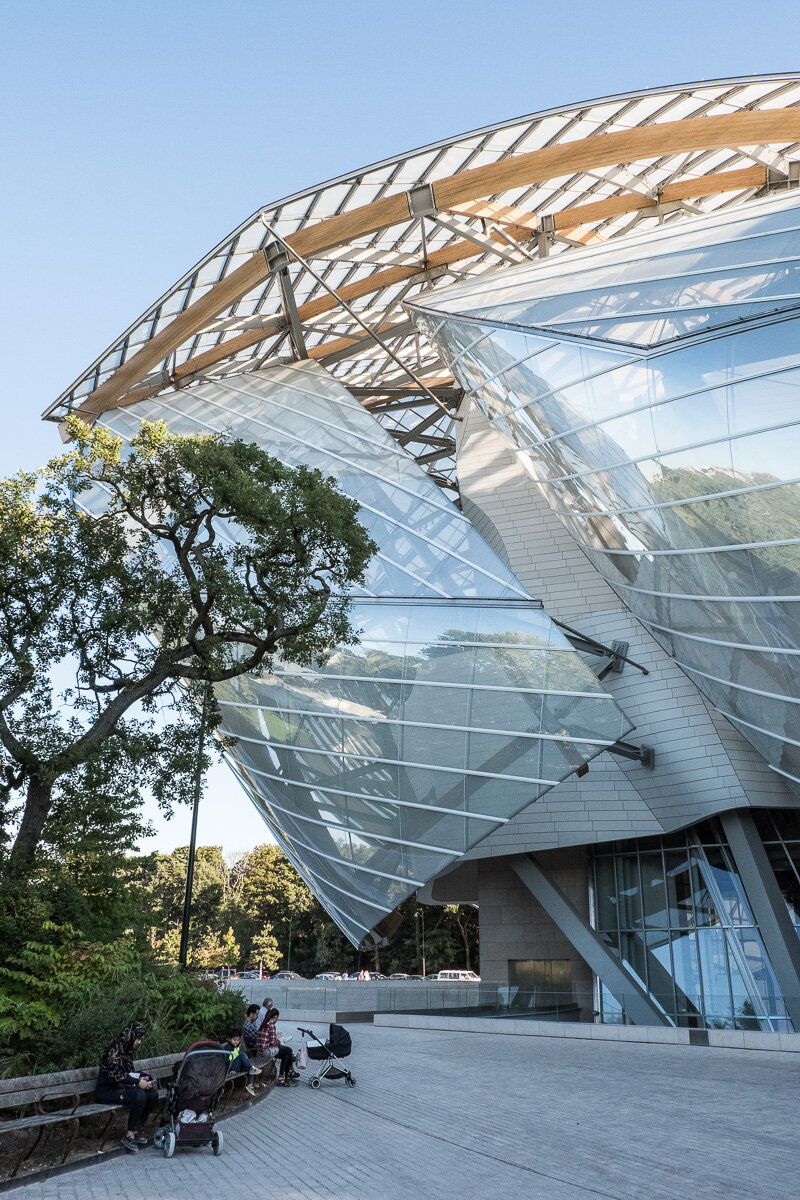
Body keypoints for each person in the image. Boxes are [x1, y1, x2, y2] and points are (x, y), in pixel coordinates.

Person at [95, 1021, 159, 1153]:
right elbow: (115, 1077)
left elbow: (130, 1073)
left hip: (121, 1087)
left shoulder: (127, 1049)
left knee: (152, 1094)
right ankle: (129, 1135)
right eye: (138, 1038)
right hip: (107, 1091)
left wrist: (146, 1079)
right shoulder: (115, 1050)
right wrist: (137, 1083)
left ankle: (135, 1130)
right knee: (139, 1095)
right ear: (131, 1036)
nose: (139, 1042)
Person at [257, 1008, 298, 1085]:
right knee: (289, 1050)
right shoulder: (271, 1026)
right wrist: (277, 1038)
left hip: (260, 1051)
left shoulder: (263, 1025)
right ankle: (289, 1072)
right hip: (266, 1052)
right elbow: (273, 1042)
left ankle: (282, 1078)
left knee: (285, 1056)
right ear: (275, 1017)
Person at [221, 1030, 262, 1097]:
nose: (236, 1042)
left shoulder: (236, 1046)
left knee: (250, 1068)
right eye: (234, 1040)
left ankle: (250, 1085)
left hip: (236, 1066)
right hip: (231, 1067)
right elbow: (226, 1061)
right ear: (229, 1039)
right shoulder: (227, 1048)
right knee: (243, 1055)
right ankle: (251, 1068)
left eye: (238, 1040)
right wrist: (230, 1070)